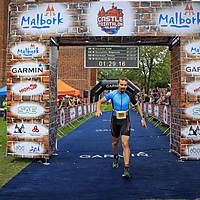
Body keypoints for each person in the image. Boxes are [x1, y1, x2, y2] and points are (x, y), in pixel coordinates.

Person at [96, 77, 147, 179]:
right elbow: (99, 102)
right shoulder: (112, 94)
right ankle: (116, 157)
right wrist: (98, 110)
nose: (123, 87)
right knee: (115, 142)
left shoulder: (129, 95)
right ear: (118, 85)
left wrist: (142, 118)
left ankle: (126, 169)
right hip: (115, 120)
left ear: (127, 86)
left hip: (125, 121)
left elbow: (137, 106)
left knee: (125, 143)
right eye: (121, 85)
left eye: (125, 85)